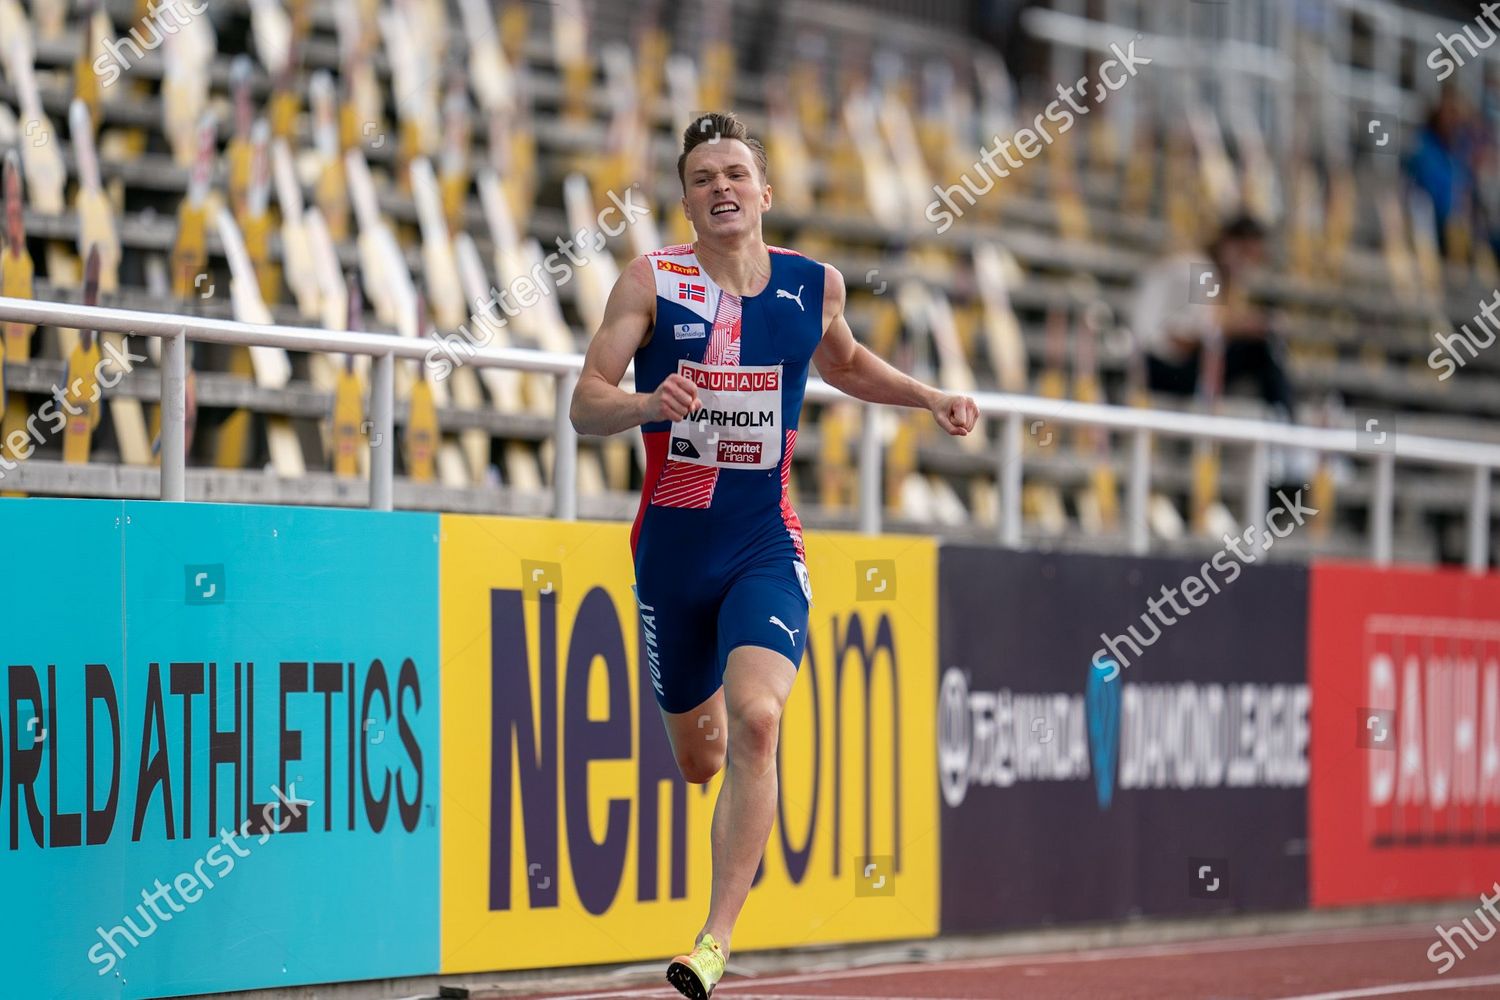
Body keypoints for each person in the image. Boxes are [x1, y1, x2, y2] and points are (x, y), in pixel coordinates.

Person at [569, 111, 977, 999]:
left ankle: (714, 942)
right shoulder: (651, 281)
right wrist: (647, 407)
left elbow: (846, 363)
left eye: (735, 173)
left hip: (763, 542)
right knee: (702, 759)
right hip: (672, 551)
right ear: (685, 201)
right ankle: (704, 725)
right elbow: (585, 405)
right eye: (704, 176)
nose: (722, 187)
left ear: (764, 193)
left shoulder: (814, 285)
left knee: (760, 720)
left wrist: (929, 396)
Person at [1128, 213, 1295, 419]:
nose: (1248, 266)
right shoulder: (1203, 271)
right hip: (1158, 367)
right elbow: (1187, 338)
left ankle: (1280, 417)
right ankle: (1284, 419)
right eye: (1246, 254)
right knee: (1260, 349)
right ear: (1229, 244)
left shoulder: (1203, 270)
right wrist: (1252, 326)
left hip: (1159, 362)